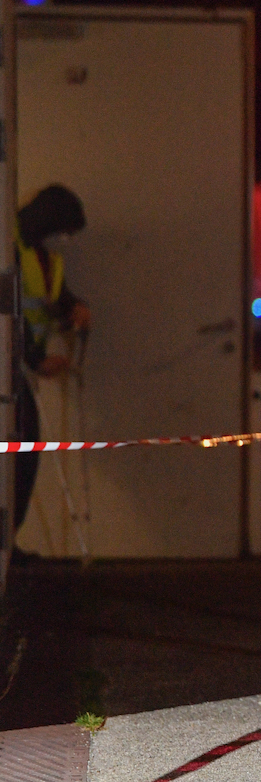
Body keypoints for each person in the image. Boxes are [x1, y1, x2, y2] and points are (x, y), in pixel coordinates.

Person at [14, 185, 90, 532]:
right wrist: (36, 359)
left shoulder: (38, 254)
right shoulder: (9, 246)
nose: (63, 240)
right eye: (63, 231)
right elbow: (10, 311)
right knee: (22, 450)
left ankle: (9, 545)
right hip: (11, 366)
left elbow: (46, 297)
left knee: (24, 452)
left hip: (14, 368)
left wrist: (72, 308)